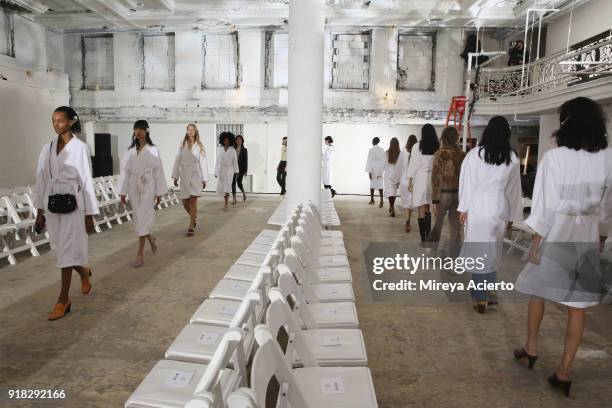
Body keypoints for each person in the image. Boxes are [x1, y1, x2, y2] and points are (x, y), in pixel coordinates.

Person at [514, 97, 611, 397]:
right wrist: (602, 233)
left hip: (558, 231)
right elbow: (608, 203)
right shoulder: (607, 157)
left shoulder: (555, 159)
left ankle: (531, 348)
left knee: (536, 290)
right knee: (578, 306)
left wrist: (536, 238)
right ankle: (564, 372)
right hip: (587, 232)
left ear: (566, 123)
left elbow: (545, 207)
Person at [33, 106, 99, 321]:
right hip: (52, 203)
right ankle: (83, 270)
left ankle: (63, 299)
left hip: (73, 202)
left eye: (61, 120)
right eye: (53, 120)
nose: (56, 124)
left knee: (67, 249)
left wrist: (90, 213)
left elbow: (87, 180)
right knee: (60, 249)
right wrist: (39, 212)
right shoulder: (47, 148)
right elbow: (41, 180)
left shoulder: (80, 147)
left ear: (71, 121)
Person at [457, 116, 522, 313]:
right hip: (499, 207)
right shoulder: (512, 158)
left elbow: (466, 183)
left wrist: (463, 208)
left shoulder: (475, 154)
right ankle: (491, 293)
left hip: (478, 206)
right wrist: (513, 215)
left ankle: (480, 297)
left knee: (479, 252)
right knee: (493, 251)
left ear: (487, 132)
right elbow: (514, 190)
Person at [118, 120, 167, 268]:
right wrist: (122, 191)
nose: (138, 132)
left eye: (141, 129)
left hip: (148, 184)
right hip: (134, 185)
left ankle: (140, 253)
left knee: (143, 216)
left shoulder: (153, 149)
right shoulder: (129, 151)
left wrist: (159, 193)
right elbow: (125, 172)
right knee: (138, 217)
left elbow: (159, 171)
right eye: (135, 129)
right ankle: (150, 239)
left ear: (147, 131)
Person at [429, 127, 466, 256]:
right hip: (458, 195)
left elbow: (436, 178)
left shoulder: (439, 154)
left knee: (438, 223)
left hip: (443, 194)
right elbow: (465, 178)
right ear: (456, 138)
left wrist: (434, 200)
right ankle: (455, 256)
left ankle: (432, 248)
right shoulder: (462, 155)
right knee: (455, 228)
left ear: (443, 138)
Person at [171, 123, 208, 237]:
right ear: (187, 131)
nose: (191, 131)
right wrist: (175, 176)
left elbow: (203, 163)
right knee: (185, 201)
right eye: (189, 129)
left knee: (193, 200)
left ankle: (191, 225)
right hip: (184, 174)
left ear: (196, 131)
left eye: (193, 129)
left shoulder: (199, 145)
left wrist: (204, 179)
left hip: (196, 174)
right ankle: (194, 217)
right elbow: (177, 160)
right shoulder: (182, 145)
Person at [407, 124, 439, 245]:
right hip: (432, 178)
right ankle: (428, 235)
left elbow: (414, 164)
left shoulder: (417, 146)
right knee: (428, 207)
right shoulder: (437, 145)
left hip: (420, 178)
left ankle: (423, 238)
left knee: (420, 207)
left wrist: (410, 180)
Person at [398, 135, 418, 232]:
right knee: (411, 203)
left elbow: (399, 167)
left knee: (406, 203)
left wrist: (398, 180)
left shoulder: (403, 152)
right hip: (414, 181)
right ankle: (408, 219)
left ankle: (407, 220)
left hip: (404, 181)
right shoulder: (417, 152)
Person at [215, 132, 239, 210]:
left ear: (230, 141)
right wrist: (216, 172)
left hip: (229, 170)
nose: (226, 142)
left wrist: (236, 171)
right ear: (222, 141)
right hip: (222, 170)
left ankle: (226, 203)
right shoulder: (220, 150)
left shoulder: (233, 150)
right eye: (225, 140)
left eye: (228, 140)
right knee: (222, 187)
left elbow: (235, 162)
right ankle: (225, 201)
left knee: (228, 186)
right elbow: (217, 161)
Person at [365, 137, 386, 207]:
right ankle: (381, 200)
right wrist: (382, 169)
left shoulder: (371, 150)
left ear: (373, 142)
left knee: (372, 184)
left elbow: (369, 161)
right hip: (379, 169)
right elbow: (384, 160)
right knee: (380, 185)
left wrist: (369, 172)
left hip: (373, 169)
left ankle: (372, 199)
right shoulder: (382, 149)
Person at [384, 137, 401, 217]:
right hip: (396, 175)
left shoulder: (386, 153)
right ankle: (392, 206)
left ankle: (391, 206)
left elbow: (383, 164)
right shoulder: (400, 153)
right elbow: (402, 166)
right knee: (394, 192)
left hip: (388, 175)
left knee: (390, 192)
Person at [232, 135, 248, 204]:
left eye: (240, 140)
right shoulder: (232, 149)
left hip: (241, 169)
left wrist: (245, 171)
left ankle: (243, 192)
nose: (238, 141)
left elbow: (245, 160)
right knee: (233, 183)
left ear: (242, 141)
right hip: (233, 168)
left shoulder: (244, 150)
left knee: (239, 183)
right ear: (235, 141)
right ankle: (234, 199)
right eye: (237, 139)